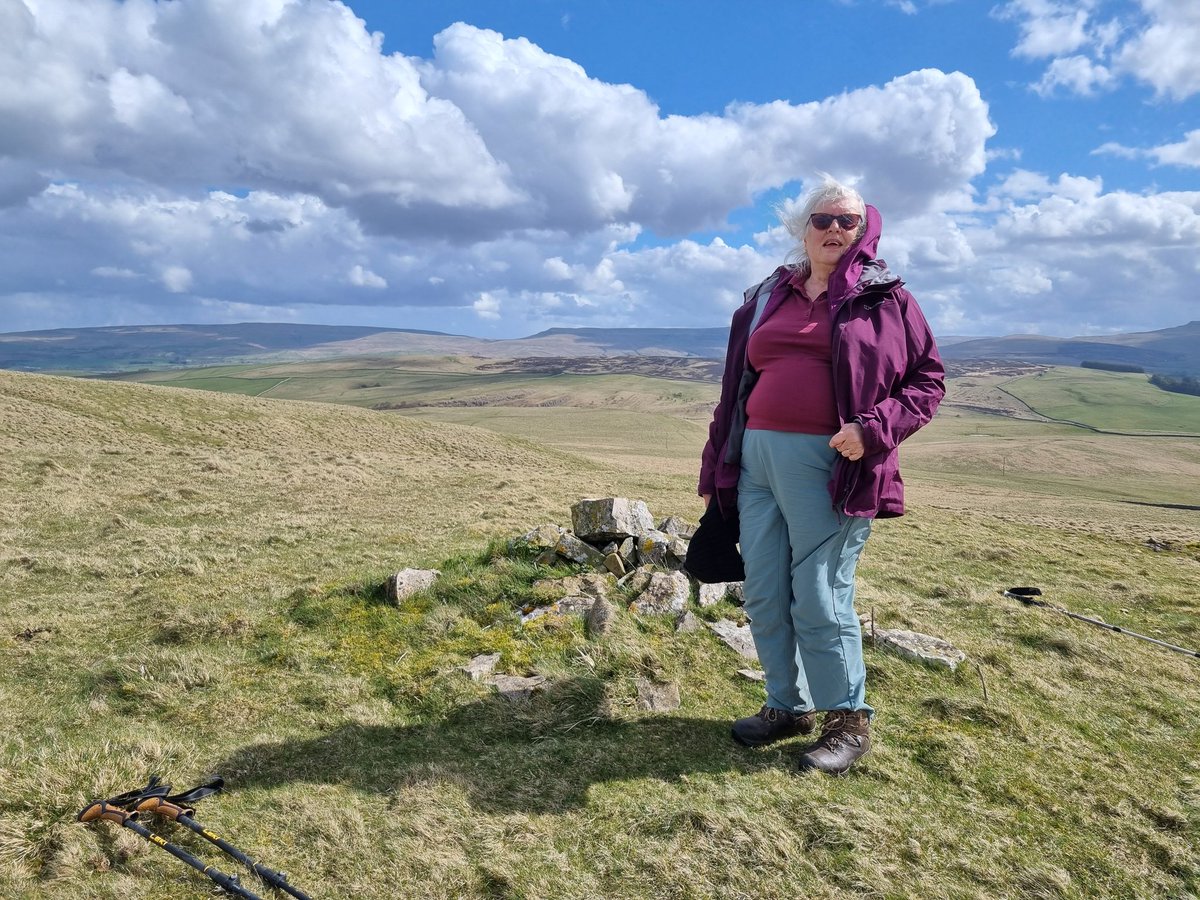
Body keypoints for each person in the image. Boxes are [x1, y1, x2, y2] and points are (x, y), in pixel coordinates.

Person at [698, 176, 944, 775]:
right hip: (756, 459)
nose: (835, 230)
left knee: (819, 594)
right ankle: (787, 705)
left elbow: (927, 382)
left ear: (865, 230)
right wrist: (718, 464)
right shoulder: (766, 296)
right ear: (801, 228)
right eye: (823, 220)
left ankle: (848, 720)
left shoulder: (886, 299)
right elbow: (736, 386)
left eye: (848, 221)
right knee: (763, 588)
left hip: (834, 466)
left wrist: (872, 428)